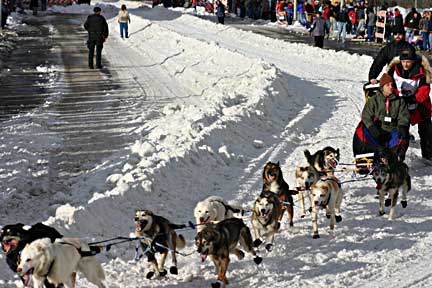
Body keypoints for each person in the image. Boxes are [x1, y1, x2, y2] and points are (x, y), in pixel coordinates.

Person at [387, 49, 432, 161]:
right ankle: (397, 156)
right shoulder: (393, 70)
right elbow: (388, 86)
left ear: (413, 61)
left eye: (408, 61)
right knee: (401, 132)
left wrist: (414, 98)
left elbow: (425, 89)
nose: (405, 64)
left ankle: (428, 154)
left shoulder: (422, 72)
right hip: (401, 106)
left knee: (427, 131)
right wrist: (396, 98)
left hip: (420, 106)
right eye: (403, 61)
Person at [353, 73, 410, 162]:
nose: (391, 87)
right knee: (361, 131)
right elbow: (366, 116)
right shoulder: (374, 100)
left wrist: (402, 126)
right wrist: (372, 128)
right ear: (382, 87)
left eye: (392, 85)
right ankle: (364, 159)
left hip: (392, 130)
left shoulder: (400, 101)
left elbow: (404, 116)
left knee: (404, 135)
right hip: (377, 131)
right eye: (388, 85)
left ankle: (397, 159)